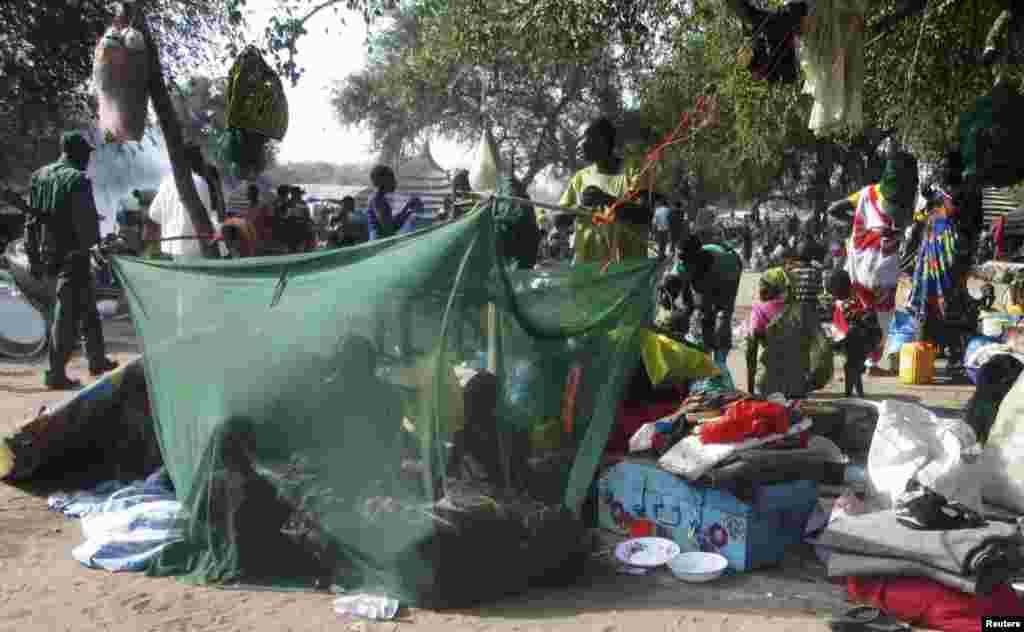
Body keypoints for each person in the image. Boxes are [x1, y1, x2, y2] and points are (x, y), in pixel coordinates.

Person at [29, 131, 118, 389]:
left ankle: (97, 358)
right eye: (87, 154)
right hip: (73, 255)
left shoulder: (39, 176)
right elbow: (88, 226)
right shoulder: (77, 179)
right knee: (66, 314)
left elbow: (30, 222)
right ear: (76, 153)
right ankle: (55, 373)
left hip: (48, 253)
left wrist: (33, 254)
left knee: (87, 303)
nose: (89, 159)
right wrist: (100, 247)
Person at [828, 152, 919, 375]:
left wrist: (859, 226)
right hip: (884, 271)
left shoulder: (867, 192)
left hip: (859, 267)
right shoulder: (913, 198)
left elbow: (834, 210)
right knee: (881, 316)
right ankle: (871, 363)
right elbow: (914, 230)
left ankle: (851, 352)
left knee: (856, 311)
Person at [559, 117, 656, 264]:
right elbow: (559, 221)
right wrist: (573, 212)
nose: (579, 145)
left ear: (602, 140)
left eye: (584, 138)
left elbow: (645, 215)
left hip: (625, 270)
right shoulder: (580, 177)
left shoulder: (634, 170)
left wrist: (606, 199)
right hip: (587, 269)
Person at [672, 235, 743, 363]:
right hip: (708, 268)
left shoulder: (721, 268)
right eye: (680, 258)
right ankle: (706, 355)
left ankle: (719, 362)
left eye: (684, 260)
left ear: (695, 258)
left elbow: (708, 309)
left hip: (729, 271)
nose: (681, 262)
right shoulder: (682, 264)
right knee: (695, 312)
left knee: (723, 315)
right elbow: (683, 300)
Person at [147, 144, 220, 258]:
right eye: (201, 160)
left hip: (172, 247)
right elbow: (207, 215)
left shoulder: (167, 182)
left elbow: (153, 213)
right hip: (194, 247)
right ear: (196, 161)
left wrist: (171, 221)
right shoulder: (200, 182)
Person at [829, 270, 882, 398]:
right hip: (864, 337)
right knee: (854, 366)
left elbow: (867, 313)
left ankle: (850, 395)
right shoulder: (855, 292)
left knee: (852, 366)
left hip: (864, 336)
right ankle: (858, 394)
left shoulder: (856, 294)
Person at [367, 165, 422, 241]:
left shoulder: (379, 199)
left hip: (382, 242)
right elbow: (390, 229)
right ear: (384, 181)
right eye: (392, 179)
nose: (395, 182)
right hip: (379, 244)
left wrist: (408, 209)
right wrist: (408, 210)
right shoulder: (377, 200)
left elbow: (390, 224)